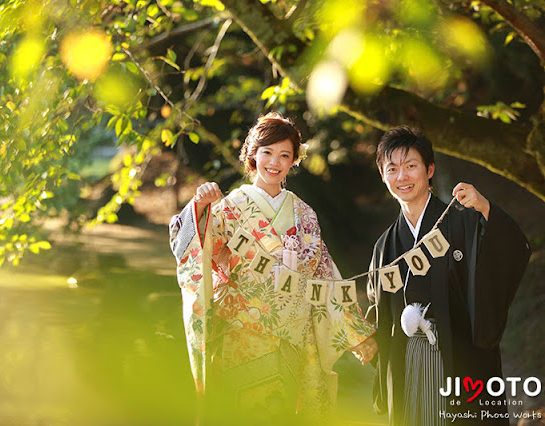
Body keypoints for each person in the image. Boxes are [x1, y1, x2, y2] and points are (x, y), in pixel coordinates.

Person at [169, 112, 377, 422]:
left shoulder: (305, 215)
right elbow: (192, 246)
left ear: (294, 160)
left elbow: (327, 277)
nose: (274, 162)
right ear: (252, 154)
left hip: (295, 338)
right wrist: (199, 206)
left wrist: (357, 332)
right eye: (267, 152)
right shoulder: (230, 207)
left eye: (284, 155)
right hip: (241, 335)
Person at [366, 126, 531, 426]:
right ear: (383, 175)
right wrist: (365, 338)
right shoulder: (385, 246)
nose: (402, 176)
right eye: (392, 168)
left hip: (460, 360)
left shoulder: (464, 221)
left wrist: (484, 208)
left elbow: (511, 250)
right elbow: (379, 310)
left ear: (429, 170)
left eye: (411, 166)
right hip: (409, 364)